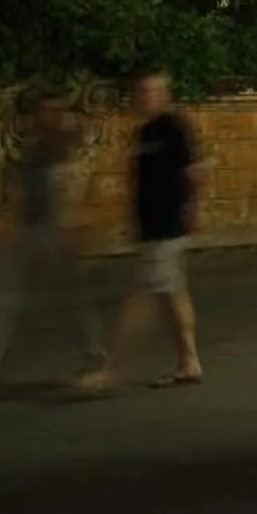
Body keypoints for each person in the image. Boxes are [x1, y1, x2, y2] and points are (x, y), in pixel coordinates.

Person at [0, 92, 105, 400]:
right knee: (4, 306)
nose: (48, 117)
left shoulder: (70, 150)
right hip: (26, 234)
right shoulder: (25, 152)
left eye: (55, 111)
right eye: (43, 111)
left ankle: (96, 355)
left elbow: (80, 194)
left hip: (56, 233)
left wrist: (74, 232)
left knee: (72, 303)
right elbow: (11, 192)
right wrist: (8, 225)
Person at [80, 71, 205, 391]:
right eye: (142, 92)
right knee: (174, 295)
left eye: (152, 91)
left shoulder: (174, 128)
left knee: (140, 298)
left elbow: (193, 174)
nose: (146, 97)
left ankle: (112, 370)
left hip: (167, 227)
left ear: (164, 94)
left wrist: (191, 214)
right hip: (151, 228)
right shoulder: (145, 132)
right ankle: (189, 361)